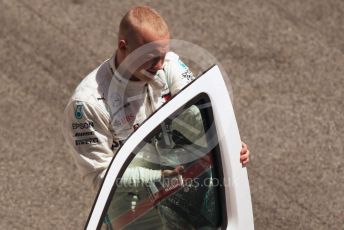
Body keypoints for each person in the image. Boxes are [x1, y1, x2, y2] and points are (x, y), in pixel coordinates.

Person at [62, 5, 250, 228]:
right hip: (132, 207)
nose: (159, 65)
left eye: (163, 55)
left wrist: (227, 142)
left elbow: (200, 115)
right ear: (123, 46)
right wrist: (160, 176)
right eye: (151, 57)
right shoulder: (87, 104)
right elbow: (103, 178)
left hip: (181, 186)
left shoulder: (168, 65)